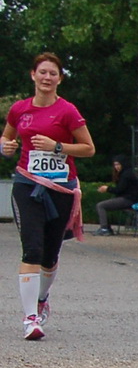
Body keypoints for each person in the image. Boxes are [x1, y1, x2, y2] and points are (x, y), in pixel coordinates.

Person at [2, 53, 96, 340]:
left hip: (60, 189)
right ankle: (31, 318)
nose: (47, 78)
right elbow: (7, 138)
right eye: (42, 72)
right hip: (27, 185)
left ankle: (42, 298)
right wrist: (5, 147)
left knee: (50, 254)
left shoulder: (67, 111)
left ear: (59, 79)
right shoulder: (19, 110)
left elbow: (89, 148)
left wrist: (57, 147)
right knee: (31, 248)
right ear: (33, 75)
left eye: (52, 73)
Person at [96, 159, 138, 234]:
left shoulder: (126, 175)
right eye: (115, 165)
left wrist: (107, 189)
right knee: (106, 204)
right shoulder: (125, 173)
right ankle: (107, 228)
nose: (116, 167)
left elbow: (119, 189)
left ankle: (104, 229)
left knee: (100, 206)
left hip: (129, 199)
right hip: (127, 198)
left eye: (118, 164)